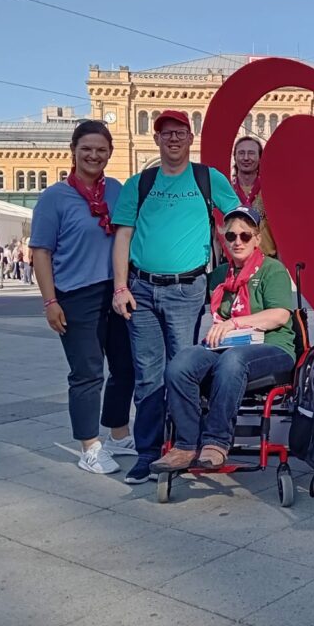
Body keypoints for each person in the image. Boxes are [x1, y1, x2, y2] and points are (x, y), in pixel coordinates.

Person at [111, 109, 241, 484]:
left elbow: (237, 220)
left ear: (190, 138)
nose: (173, 139)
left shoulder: (207, 178)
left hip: (187, 290)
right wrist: (120, 288)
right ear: (156, 139)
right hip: (142, 291)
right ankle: (149, 452)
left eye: (179, 132)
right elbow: (123, 236)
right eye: (166, 133)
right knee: (148, 376)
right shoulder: (140, 182)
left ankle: (184, 444)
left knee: (182, 371)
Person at [152, 206, 296, 472]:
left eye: (244, 236)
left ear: (256, 238)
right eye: (231, 237)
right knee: (180, 364)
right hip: (227, 347)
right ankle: (185, 445)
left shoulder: (272, 270)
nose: (237, 242)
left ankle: (216, 442)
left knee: (233, 360)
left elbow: (279, 315)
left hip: (272, 347)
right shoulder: (220, 276)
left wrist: (234, 323)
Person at [32, 120, 137, 475]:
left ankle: (119, 435)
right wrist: (50, 301)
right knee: (87, 372)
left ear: (110, 153)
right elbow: (41, 252)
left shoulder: (117, 191)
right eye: (87, 149)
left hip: (117, 290)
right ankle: (89, 445)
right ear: (73, 151)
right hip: (76, 295)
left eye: (101, 150)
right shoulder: (54, 198)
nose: (94, 155)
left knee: (125, 367)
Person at [231, 136, 276, 257]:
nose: (246, 158)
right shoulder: (227, 191)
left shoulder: (271, 191)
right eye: (241, 153)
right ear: (235, 157)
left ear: (260, 158)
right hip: (234, 262)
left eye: (251, 153)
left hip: (267, 261)